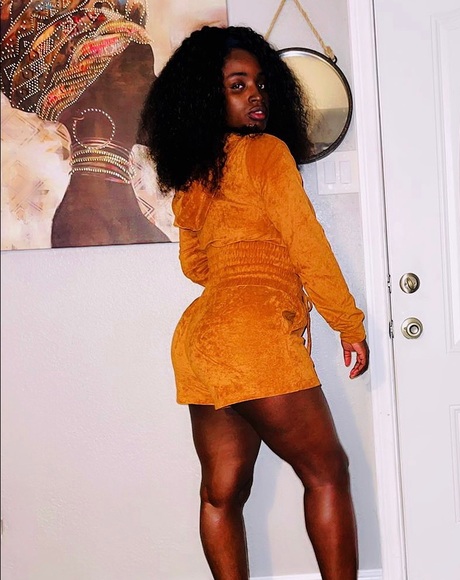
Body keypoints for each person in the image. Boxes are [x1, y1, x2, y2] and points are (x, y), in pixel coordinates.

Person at [139, 25, 370, 580]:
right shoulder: (267, 153)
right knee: (327, 473)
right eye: (237, 85)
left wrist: (238, 266)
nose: (256, 97)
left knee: (221, 494)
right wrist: (348, 323)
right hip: (253, 332)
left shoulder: (195, 174)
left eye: (261, 84)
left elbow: (195, 266)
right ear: (207, 96)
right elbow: (307, 244)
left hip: (201, 339)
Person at [1, 0, 169, 247]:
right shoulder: (87, 224)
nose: (157, 86)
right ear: (94, 95)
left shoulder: (102, 207)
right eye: (143, 73)